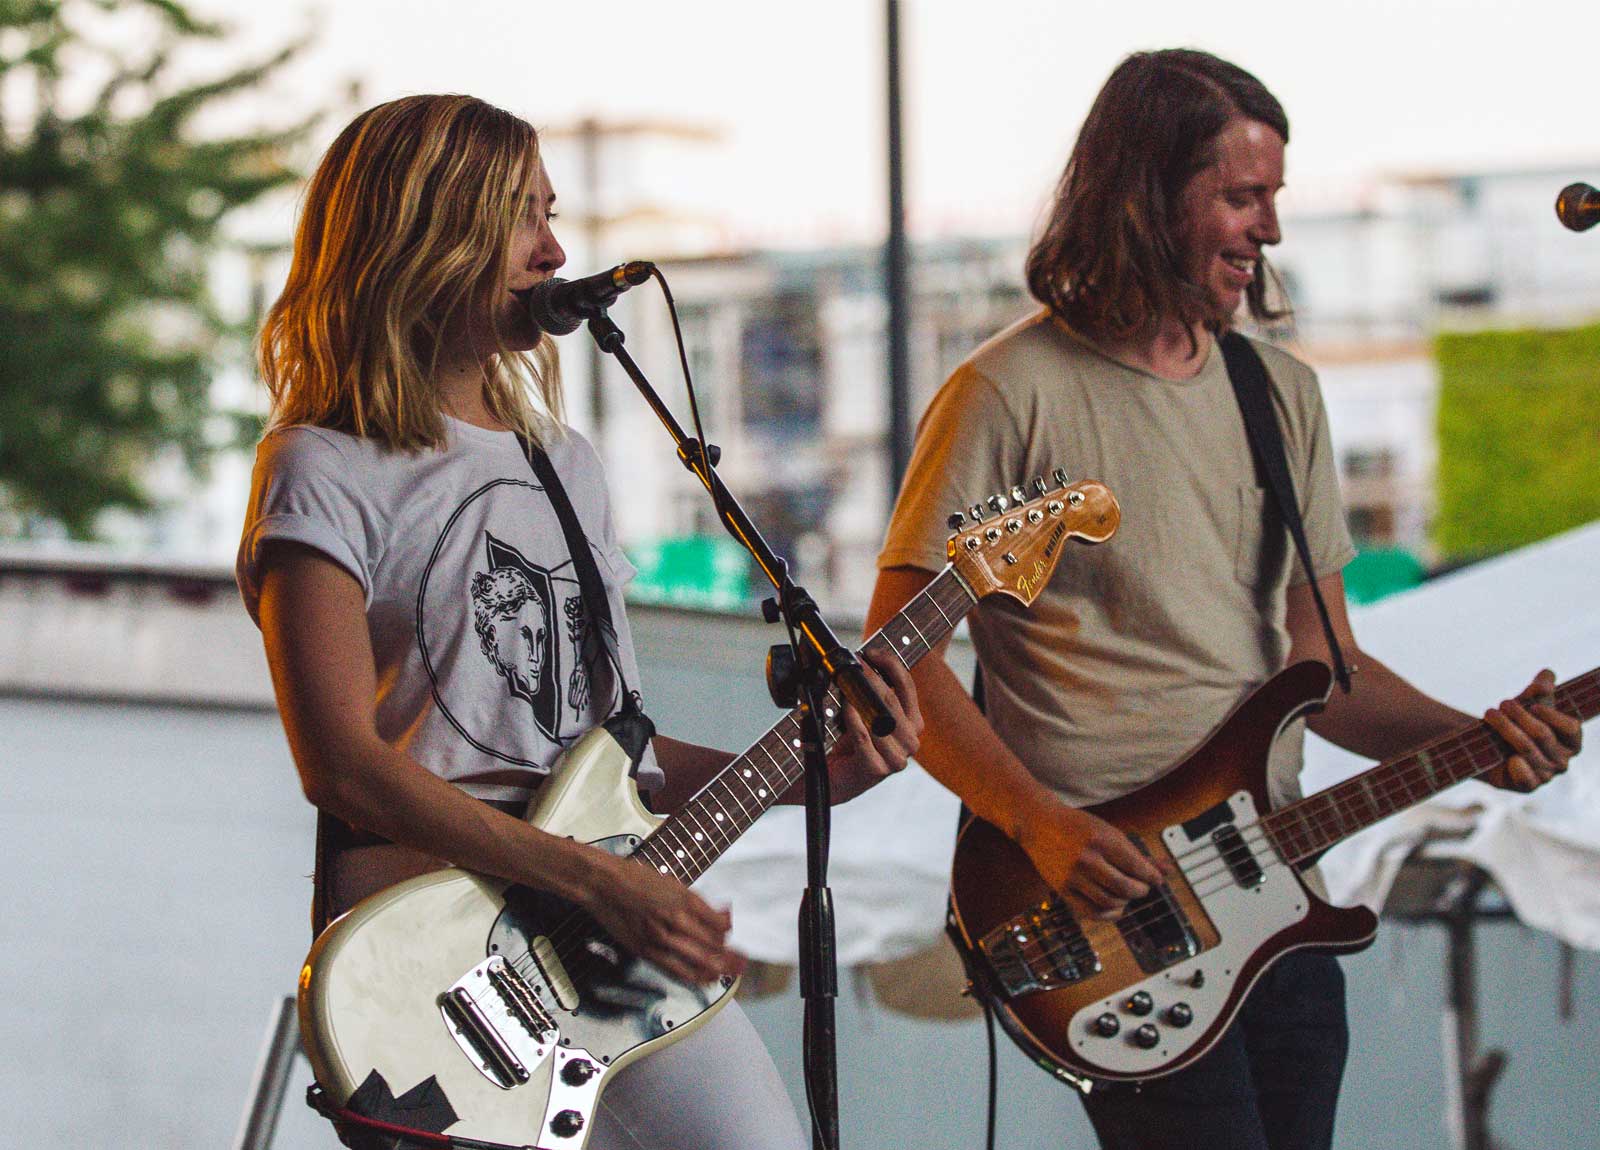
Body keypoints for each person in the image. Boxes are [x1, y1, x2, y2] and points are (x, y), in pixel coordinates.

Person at [867, 49, 1582, 1150]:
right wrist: (1040, 826)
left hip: (1276, 899)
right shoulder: (1006, 392)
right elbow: (897, 659)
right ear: (1148, 196)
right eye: (1242, 197)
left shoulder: (1276, 392)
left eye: (1275, 200)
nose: (1269, 231)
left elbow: (1325, 668)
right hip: (1105, 907)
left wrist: (1478, 738)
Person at [237, 94, 922, 1150]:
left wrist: (816, 771)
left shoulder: (567, 462)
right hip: (433, 963)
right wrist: (596, 879)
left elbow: (614, 755)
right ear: (423, 232)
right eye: (519, 217)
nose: (555, 251)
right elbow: (342, 766)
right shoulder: (321, 464)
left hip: (603, 938)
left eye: (551, 213)